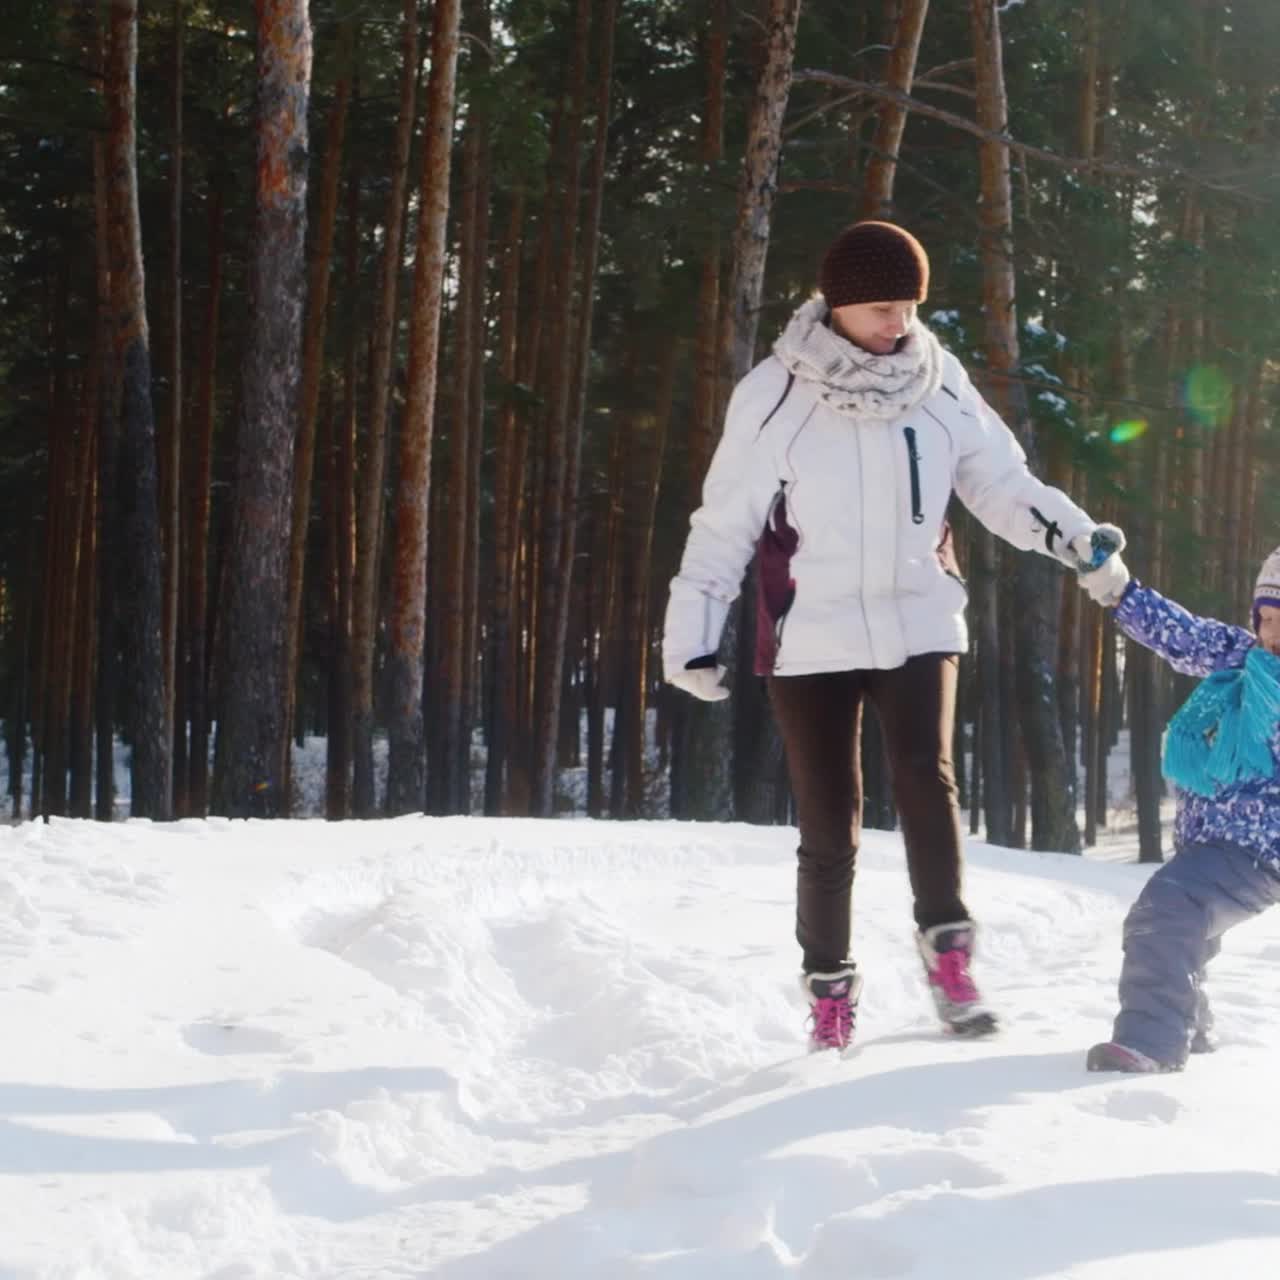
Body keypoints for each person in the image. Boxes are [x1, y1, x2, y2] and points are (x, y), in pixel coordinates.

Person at [662, 220, 1129, 1053]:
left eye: (909, 306)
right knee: (830, 820)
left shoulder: (937, 381)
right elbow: (724, 522)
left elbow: (1000, 483)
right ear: (838, 305)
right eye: (881, 307)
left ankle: (950, 963)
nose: (898, 324)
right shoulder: (774, 395)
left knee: (926, 780)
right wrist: (694, 632)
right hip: (811, 634)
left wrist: (1074, 537)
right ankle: (830, 993)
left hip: (919, 615)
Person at [1085, 549, 1280, 1073]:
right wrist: (1119, 590)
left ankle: (1152, 1041)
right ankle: (1191, 1030)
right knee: (1188, 932)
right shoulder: (1241, 659)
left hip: (1261, 854)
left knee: (1168, 909)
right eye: (1266, 619)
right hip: (1209, 844)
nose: (1273, 636)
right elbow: (1183, 634)